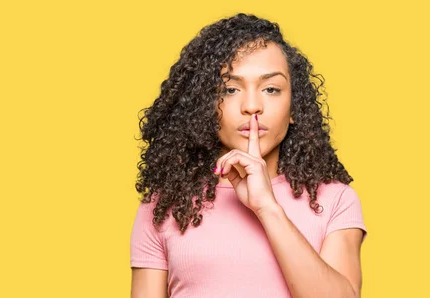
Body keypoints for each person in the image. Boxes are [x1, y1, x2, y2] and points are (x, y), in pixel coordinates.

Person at [130, 13, 367, 298]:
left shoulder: (335, 200)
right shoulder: (164, 204)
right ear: (206, 106)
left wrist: (267, 207)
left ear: (294, 108)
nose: (252, 106)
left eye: (271, 89)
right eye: (230, 89)